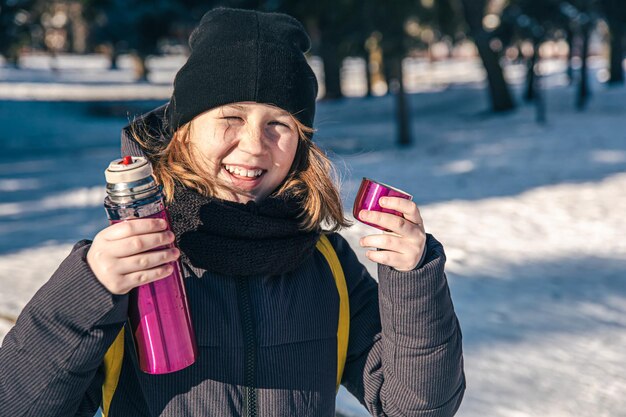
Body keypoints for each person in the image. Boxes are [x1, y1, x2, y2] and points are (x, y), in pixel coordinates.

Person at [0, 7, 465, 417]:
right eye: (231, 117)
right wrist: (88, 289)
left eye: (278, 124)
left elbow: (416, 407)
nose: (253, 146)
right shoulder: (126, 264)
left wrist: (413, 277)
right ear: (182, 130)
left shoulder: (328, 265)